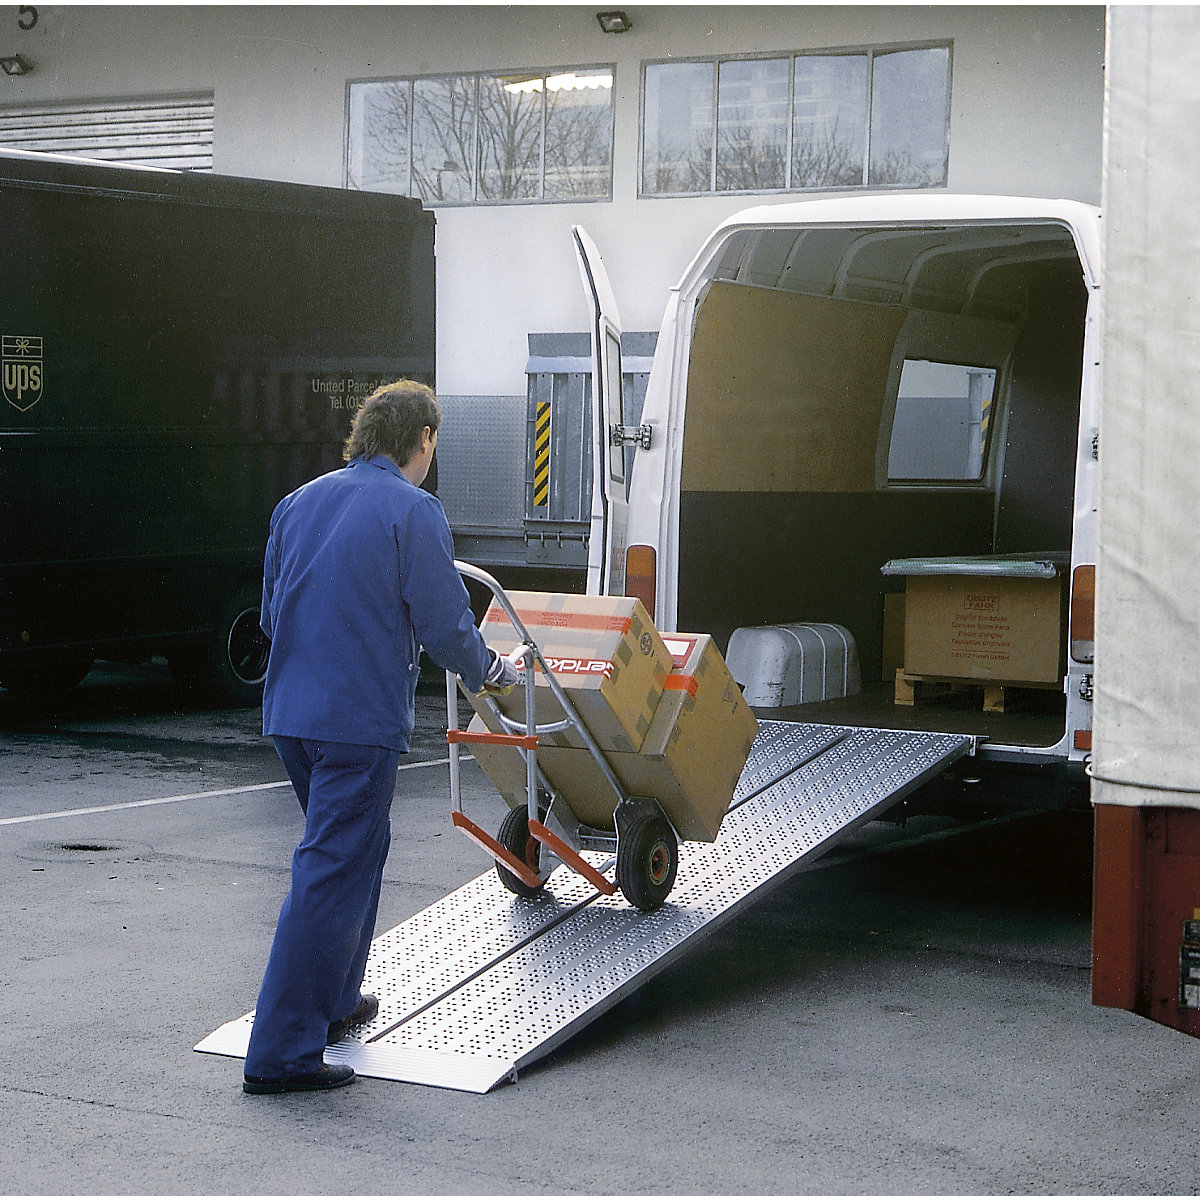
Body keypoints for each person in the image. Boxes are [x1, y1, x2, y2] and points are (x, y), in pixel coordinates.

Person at [241, 378, 517, 1095]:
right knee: (330, 870)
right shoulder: (413, 510)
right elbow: (446, 625)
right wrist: (495, 673)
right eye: (434, 444)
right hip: (356, 723)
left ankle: (336, 999)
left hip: (292, 717)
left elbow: (272, 616)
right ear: (422, 440)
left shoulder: (297, 503)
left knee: (355, 849)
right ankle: (282, 1052)